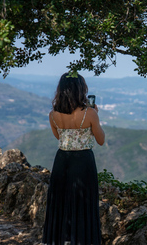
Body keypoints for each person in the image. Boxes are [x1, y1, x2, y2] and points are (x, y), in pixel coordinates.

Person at [42, 73, 105, 245]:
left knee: (61, 201)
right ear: (81, 90)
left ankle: (60, 239)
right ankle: (84, 239)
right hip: (83, 160)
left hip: (62, 160)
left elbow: (60, 138)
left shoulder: (53, 114)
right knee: (84, 202)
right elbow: (101, 140)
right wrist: (96, 115)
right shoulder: (90, 113)